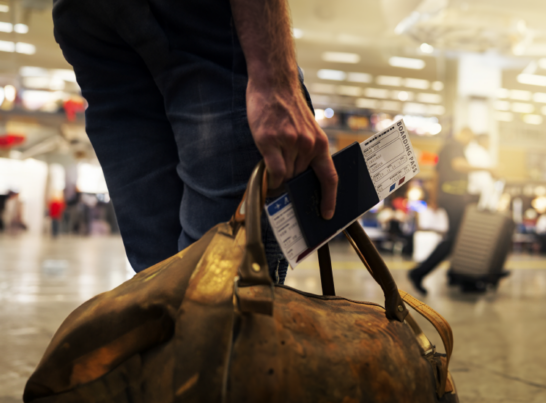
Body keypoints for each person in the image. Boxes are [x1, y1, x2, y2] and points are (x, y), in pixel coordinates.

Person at [53, 0, 338, 282]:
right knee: (223, 296)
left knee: (160, 289)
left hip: (87, 21)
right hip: (196, 21)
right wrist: (275, 79)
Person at [408, 128, 496, 295]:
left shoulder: (448, 147)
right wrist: (488, 169)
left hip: (451, 197)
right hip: (454, 197)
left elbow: (437, 174)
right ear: (466, 133)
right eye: (470, 139)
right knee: (456, 238)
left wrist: (435, 198)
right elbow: (458, 165)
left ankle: (455, 276)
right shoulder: (454, 145)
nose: (470, 142)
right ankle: (419, 272)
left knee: (460, 238)